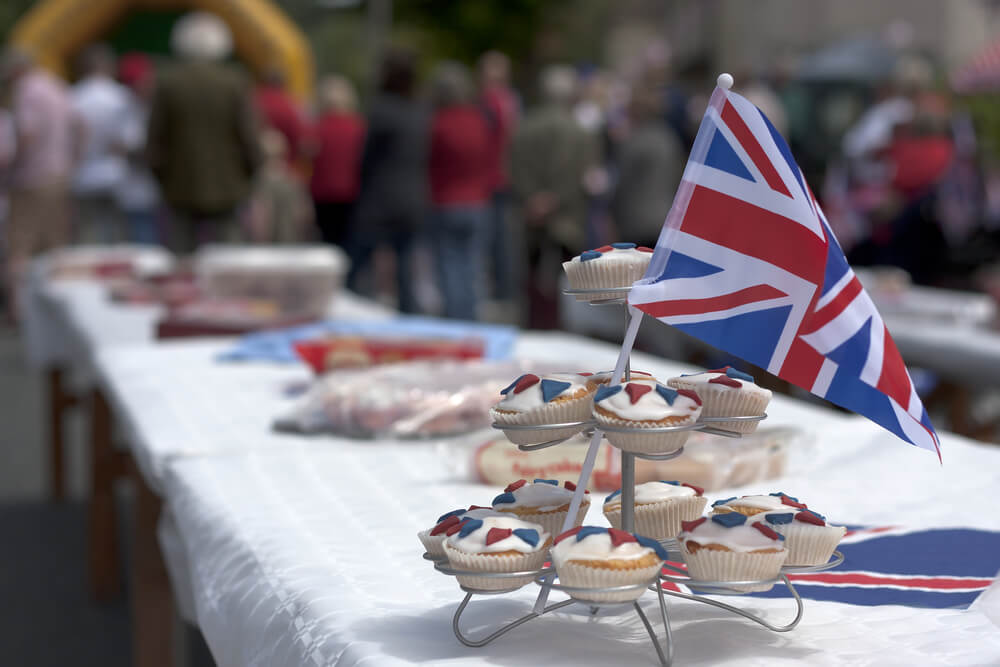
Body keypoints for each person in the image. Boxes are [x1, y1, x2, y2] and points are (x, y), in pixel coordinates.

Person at [146, 11, 261, 252]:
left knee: (181, 265)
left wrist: (162, 178)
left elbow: (154, 141)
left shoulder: (167, 83)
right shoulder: (234, 82)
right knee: (228, 262)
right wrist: (251, 172)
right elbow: (249, 137)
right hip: (228, 186)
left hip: (179, 186)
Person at [510, 65, 597, 328]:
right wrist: (554, 199)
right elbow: (583, 174)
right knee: (566, 277)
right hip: (566, 215)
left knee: (532, 274)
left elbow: (514, 167)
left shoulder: (524, 127)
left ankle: (534, 324)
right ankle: (561, 327)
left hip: (530, 213)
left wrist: (532, 199)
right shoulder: (580, 131)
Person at [1, 48, 79, 319]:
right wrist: (73, 162)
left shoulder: (27, 91)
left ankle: (18, 309)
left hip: (31, 178)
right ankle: (57, 310)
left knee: (19, 246)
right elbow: (80, 124)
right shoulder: (55, 86)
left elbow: (27, 134)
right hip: (58, 176)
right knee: (54, 244)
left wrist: (11, 167)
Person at [348, 48, 427, 313]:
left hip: (380, 200)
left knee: (357, 271)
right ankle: (410, 323)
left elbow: (365, 159)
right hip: (412, 198)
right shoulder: (420, 110)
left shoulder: (382, 110)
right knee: (405, 275)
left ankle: (354, 319)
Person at [428, 62, 491, 321]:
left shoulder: (437, 123)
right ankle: (472, 319)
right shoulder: (479, 120)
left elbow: (430, 162)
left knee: (449, 268)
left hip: (445, 200)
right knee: (472, 267)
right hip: (477, 201)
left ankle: (455, 320)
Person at [70, 43, 130, 243]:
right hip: (115, 173)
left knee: (87, 234)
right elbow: (125, 141)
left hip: (82, 174)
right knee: (117, 234)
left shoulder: (74, 96)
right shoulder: (120, 96)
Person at [611, 88, 683, 248]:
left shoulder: (634, 142)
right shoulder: (669, 138)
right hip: (666, 218)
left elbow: (623, 183)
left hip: (636, 221)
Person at [478, 51, 519, 302]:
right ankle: (503, 290)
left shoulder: (487, 102)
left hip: (490, 178)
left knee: (493, 238)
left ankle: (499, 290)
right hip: (502, 177)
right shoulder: (511, 101)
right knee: (501, 238)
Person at [308, 75, 365, 248]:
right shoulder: (359, 128)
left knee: (327, 244)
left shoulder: (317, 128)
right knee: (349, 245)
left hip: (322, 195)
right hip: (351, 193)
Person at [115, 52, 161, 244]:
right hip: (137, 190)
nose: (138, 87)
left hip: (164, 192)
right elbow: (120, 146)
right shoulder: (124, 105)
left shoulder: (161, 103)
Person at [246, 129, 313, 243]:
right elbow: (305, 213)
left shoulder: (258, 180)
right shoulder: (293, 178)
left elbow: (258, 217)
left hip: (265, 243)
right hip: (291, 239)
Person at [254, 66, 305, 172]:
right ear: (284, 84)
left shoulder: (254, 100)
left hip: (256, 165)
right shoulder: (290, 106)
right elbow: (299, 138)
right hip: (283, 166)